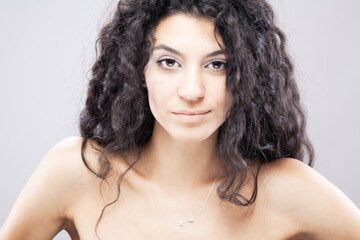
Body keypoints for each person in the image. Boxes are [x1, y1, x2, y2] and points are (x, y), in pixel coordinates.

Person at [1, 0, 360, 239]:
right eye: (168, 62)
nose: (192, 90)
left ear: (244, 76)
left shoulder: (286, 189)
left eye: (217, 64)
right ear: (139, 70)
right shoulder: (79, 172)